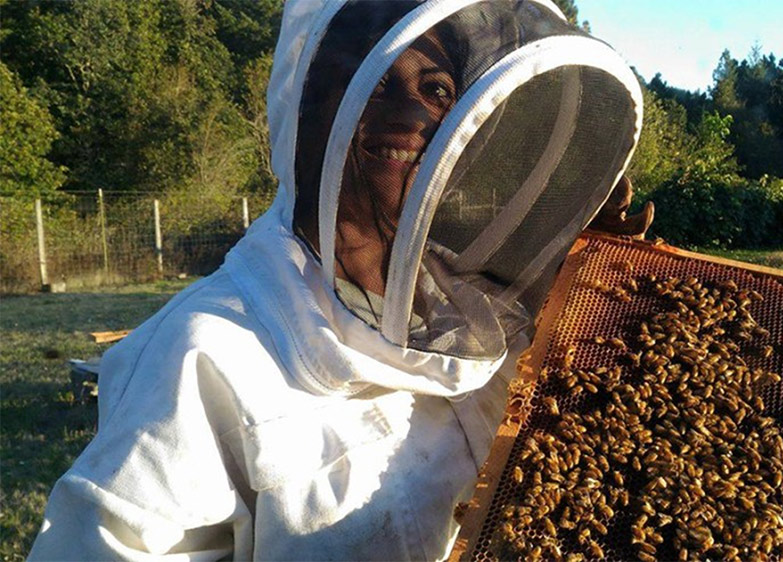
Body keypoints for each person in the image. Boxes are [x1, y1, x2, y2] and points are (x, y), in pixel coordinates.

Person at [29, 1, 646, 559]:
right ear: (309, 119)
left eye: (436, 89)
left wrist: (603, 283)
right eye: (375, 87)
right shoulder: (200, 358)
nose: (409, 115)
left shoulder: (497, 302)